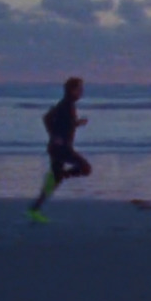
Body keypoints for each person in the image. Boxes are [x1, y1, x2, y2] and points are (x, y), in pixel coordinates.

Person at [26, 77, 91, 223]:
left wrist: (77, 123)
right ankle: (61, 175)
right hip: (60, 149)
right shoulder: (66, 105)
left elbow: (61, 122)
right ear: (72, 90)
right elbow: (46, 118)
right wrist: (55, 135)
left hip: (57, 148)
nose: (82, 92)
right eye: (80, 89)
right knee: (86, 169)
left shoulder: (68, 105)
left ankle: (34, 210)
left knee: (54, 181)